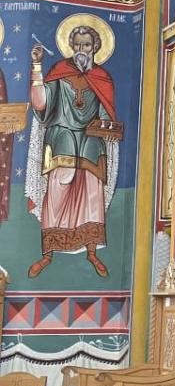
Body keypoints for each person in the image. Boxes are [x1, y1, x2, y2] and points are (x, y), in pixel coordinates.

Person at [26, 25, 123, 278]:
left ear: (95, 47)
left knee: (92, 196)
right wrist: (37, 66)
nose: (81, 49)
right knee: (56, 194)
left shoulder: (102, 78)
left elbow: (105, 114)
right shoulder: (59, 72)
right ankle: (48, 254)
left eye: (86, 45)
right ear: (71, 46)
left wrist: (106, 127)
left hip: (90, 144)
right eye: (77, 44)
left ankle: (92, 251)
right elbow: (40, 104)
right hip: (62, 139)